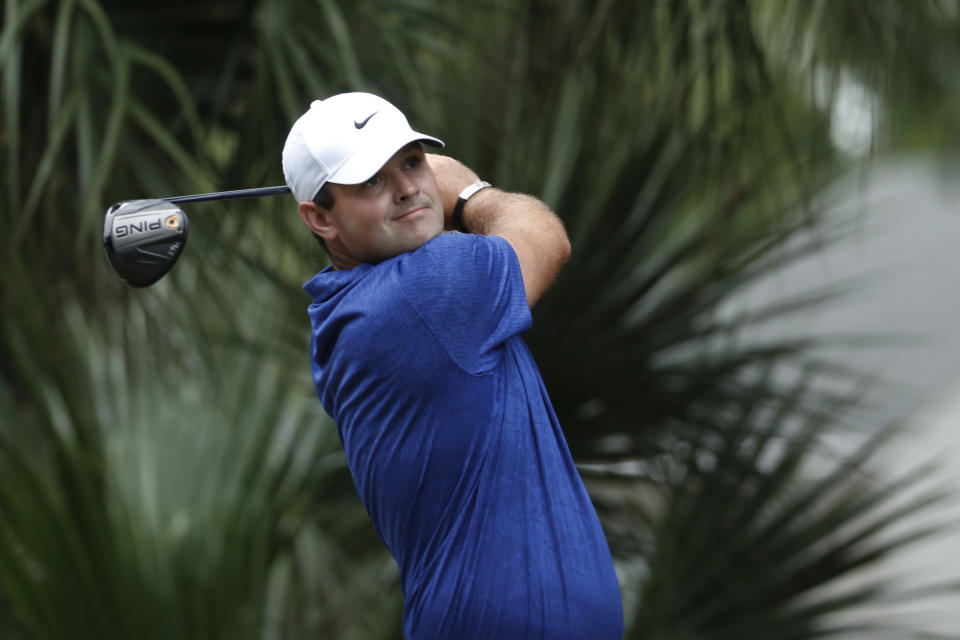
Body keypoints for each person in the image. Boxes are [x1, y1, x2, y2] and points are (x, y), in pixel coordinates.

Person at [282, 92, 624, 639]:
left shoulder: (353, 305)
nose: (407, 188)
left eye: (412, 161)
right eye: (372, 179)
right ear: (320, 217)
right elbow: (546, 237)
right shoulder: (427, 289)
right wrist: (468, 192)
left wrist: (398, 188)